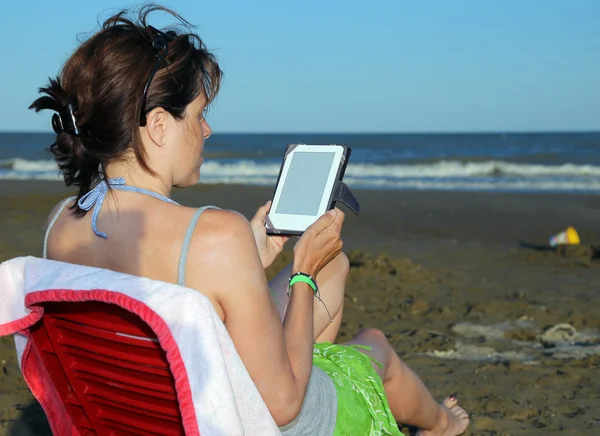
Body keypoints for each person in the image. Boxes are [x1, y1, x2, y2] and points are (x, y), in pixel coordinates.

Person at [32, 5, 470, 435]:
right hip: (242, 421)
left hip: (138, 412)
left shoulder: (61, 224)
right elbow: (281, 408)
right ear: (160, 125)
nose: (206, 131)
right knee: (373, 345)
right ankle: (443, 426)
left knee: (333, 268)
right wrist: (302, 273)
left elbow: (153, 301)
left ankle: (306, 353)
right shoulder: (215, 234)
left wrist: (245, 263)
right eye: (199, 114)